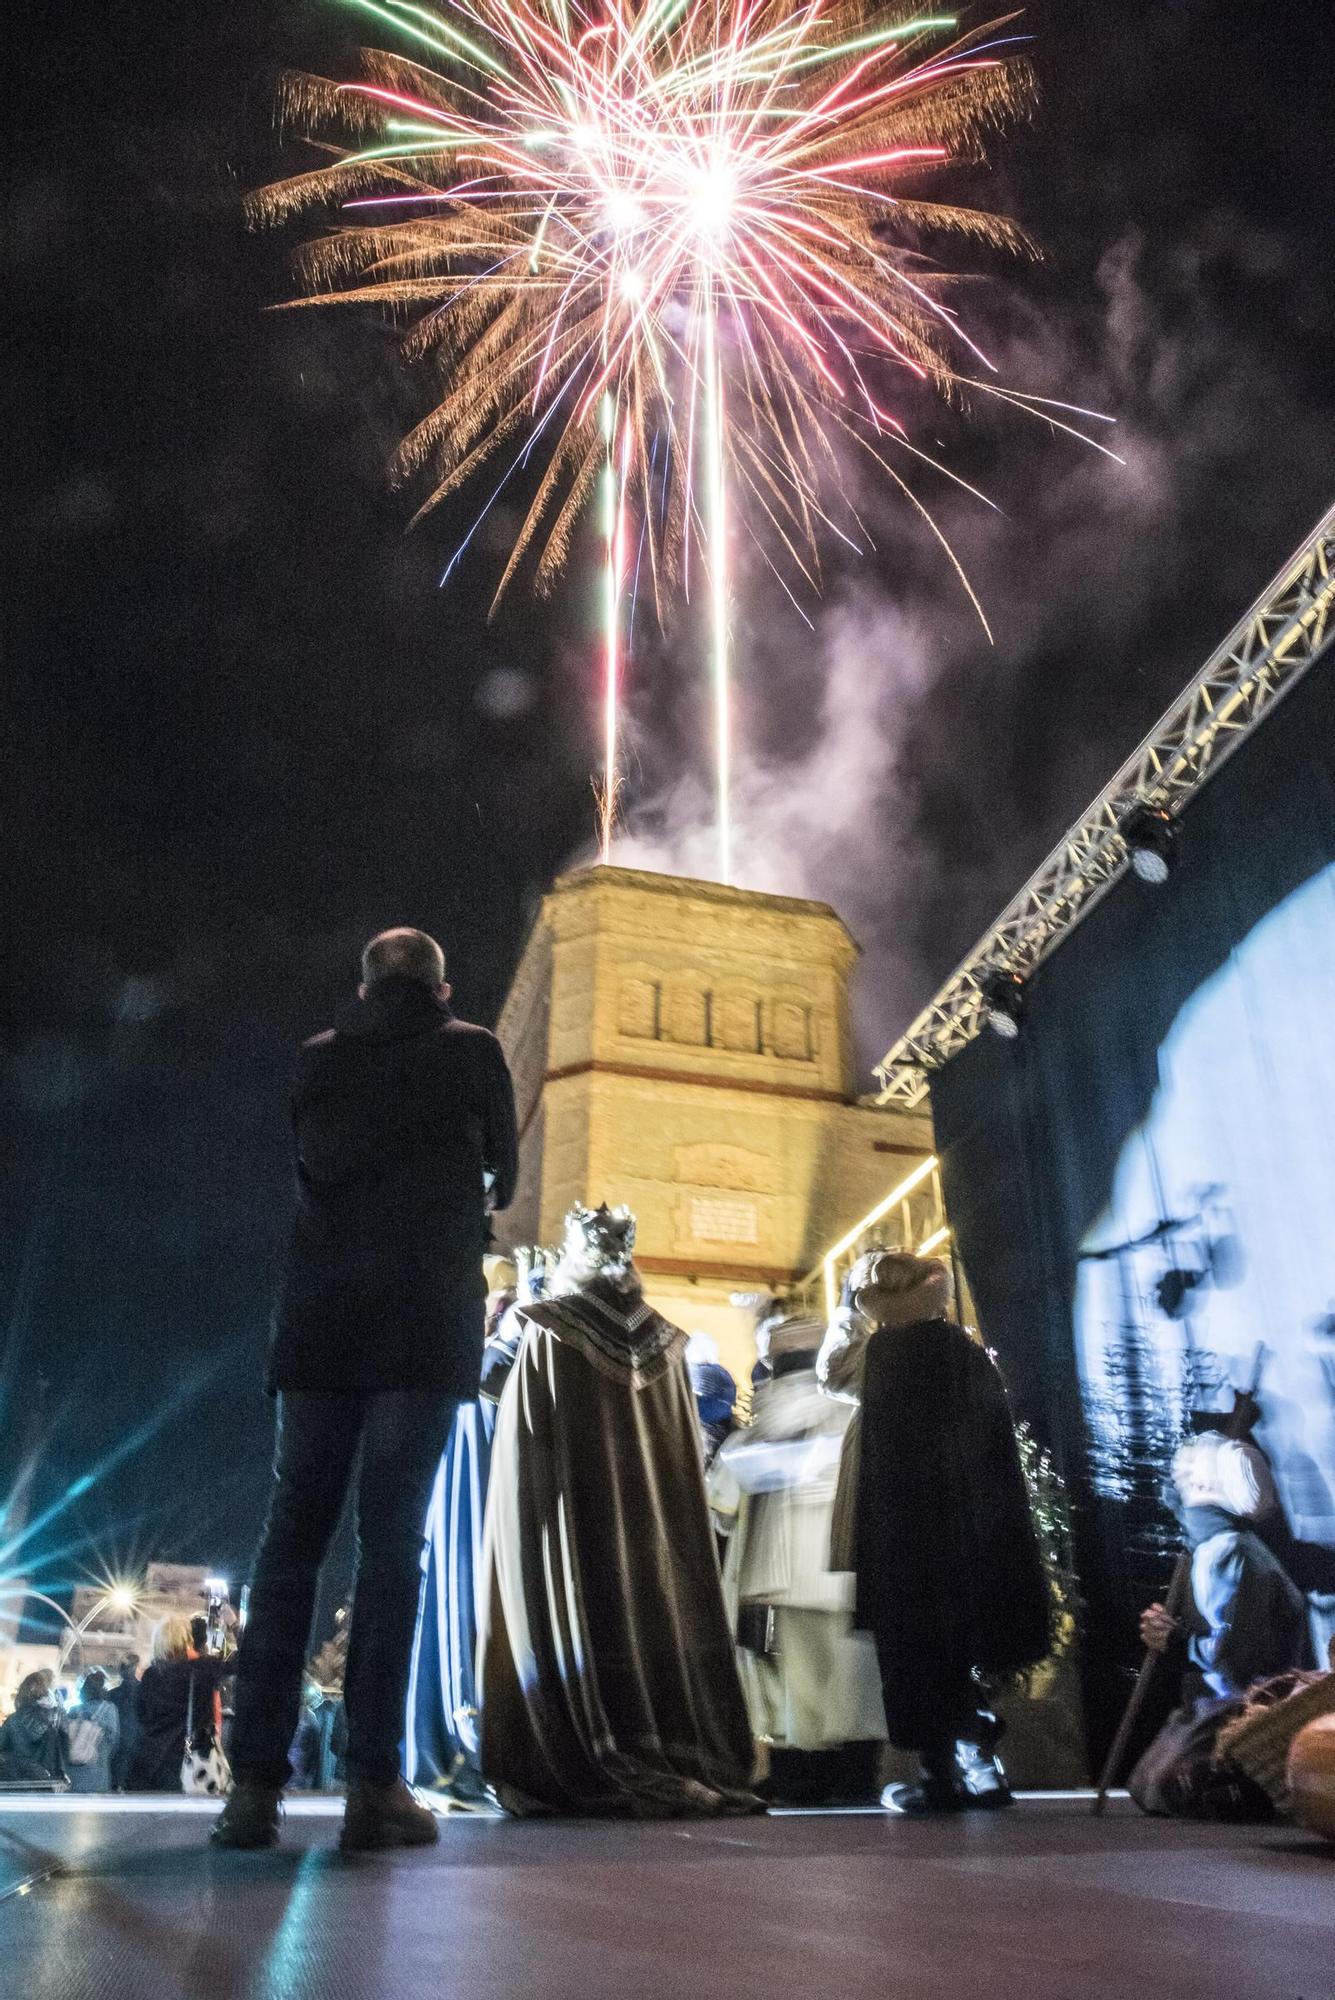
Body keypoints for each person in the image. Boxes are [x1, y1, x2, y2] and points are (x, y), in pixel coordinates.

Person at [214, 927, 518, 1851]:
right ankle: (371, 1785)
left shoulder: (315, 1062)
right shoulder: (473, 1051)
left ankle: (253, 1793)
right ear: (441, 985)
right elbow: (503, 1180)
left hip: (318, 1326)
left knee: (289, 1545)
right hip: (421, 1326)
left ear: (361, 985)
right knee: (392, 1547)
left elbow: (310, 1166)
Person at [477, 1203, 758, 1816]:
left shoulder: (549, 1331)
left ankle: (584, 1745)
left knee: (581, 1618)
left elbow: (522, 1458)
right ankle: (672, 1747)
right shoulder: (666, 1341)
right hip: (646, 1546)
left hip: (571, 1536)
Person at [819, 1250, 1050, 1815]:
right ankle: (983, 1768)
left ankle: (939, 1776)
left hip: (904, 1537)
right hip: (971, 1532)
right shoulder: (965, 1353)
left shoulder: (881, 1354)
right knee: (962, 1649)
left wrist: (849, 1312)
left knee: (916, 1654)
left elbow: (831, 1375)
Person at [710, 1310, 886, 1805]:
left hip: (787, 1575)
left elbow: (722, 1502)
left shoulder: (771, 1417)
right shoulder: (855, 1410)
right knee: (852, 1681)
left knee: (801, 1688)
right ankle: (853, 1775)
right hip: (847, 1575)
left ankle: (805, 1775)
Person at [408, 1256, 518, 1800]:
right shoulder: (472, 1353)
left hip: (485, 1501)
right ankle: (460, 1743)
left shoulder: (503, 1348)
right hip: (459, 1505)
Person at [129, 1616, 228, 1791]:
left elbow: (141, 1716)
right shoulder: (202, 1670)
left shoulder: (150, 1676)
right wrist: (228, 1625)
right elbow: (233, 1660)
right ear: (186, 1640)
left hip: (151, 1764)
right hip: (191, 1764)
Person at [0, 1670, 70, 1787]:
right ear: (46, 1692)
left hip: (14, 1781)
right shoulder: (56, 1719)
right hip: (46, 1783)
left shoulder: (12, 1720)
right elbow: (64, 1752)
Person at [66, 1669, 120, 1794]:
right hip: (98, 1770)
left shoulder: (74, 1710)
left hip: (73, 1772)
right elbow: (114, 1741)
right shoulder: (109, 1709)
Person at [106, 1654, 141, 1790]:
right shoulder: (144, 1690)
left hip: (118, 1744)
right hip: (139, 1743)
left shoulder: (112, 1694)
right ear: (136, 1668)